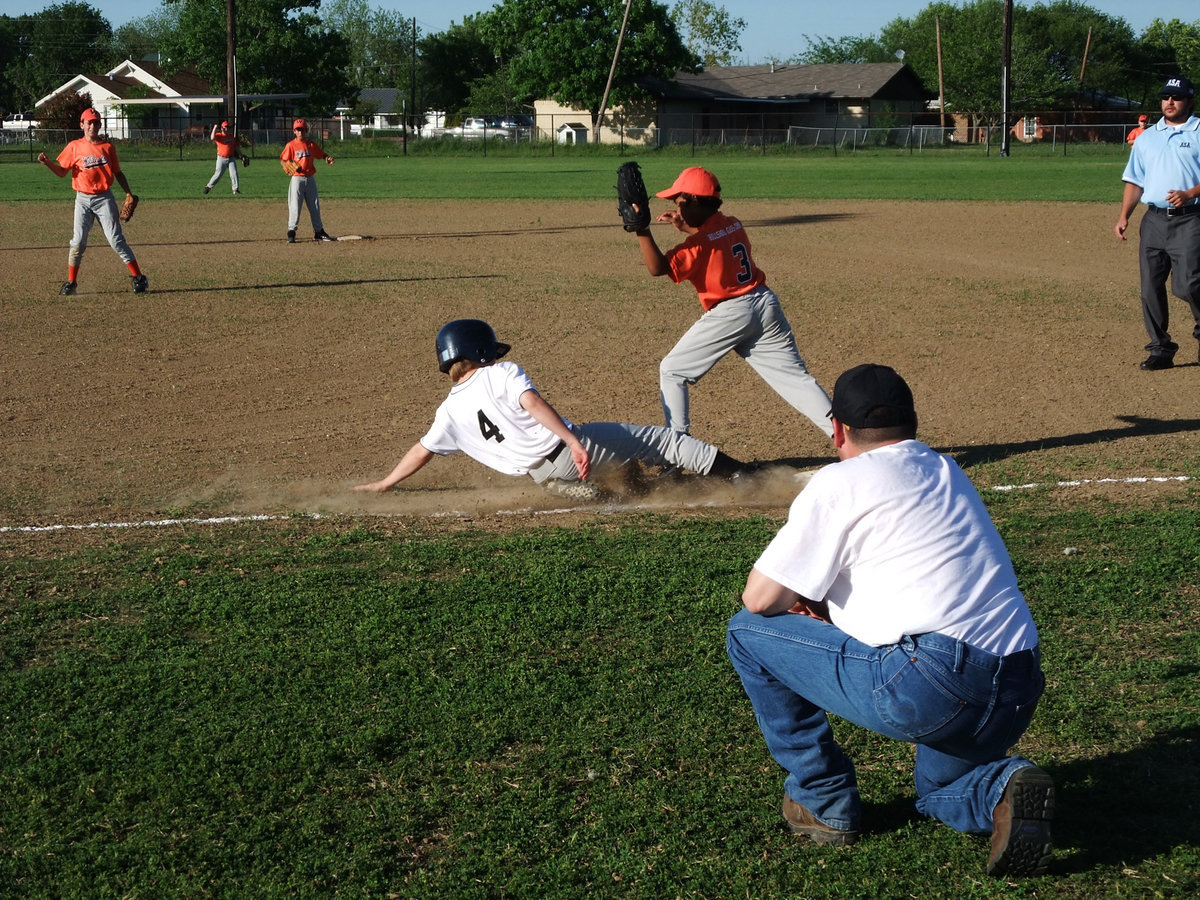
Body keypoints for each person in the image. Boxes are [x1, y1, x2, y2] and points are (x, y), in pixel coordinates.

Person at [725, 363, 1053, 878]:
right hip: (1017, 682)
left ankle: (823, 801)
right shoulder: (945, 469)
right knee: (938, 792)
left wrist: (813, 607)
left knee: (746, 633)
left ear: (838, 428)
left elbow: (759, 598)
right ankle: (1004, 788)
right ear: (913, 423)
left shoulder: (839, 481)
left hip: (935, 682)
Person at [354, 319, 748, 499]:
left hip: (542, 477)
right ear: (479, 353)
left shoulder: (447, 412)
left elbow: (421, 450)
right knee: (662, 441)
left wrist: (385, 483)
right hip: (569, 453)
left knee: (630, 480)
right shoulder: (500, 372)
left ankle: (598, 492)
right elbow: (533, 402)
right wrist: (573, 441)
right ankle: (746, 476)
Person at [630, 166, 833, 439]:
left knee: (672, 371)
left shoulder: (699, 245)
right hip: (765, 303)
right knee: (797, 380)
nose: (676, 210)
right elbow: (711, 232)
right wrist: (684, 225)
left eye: (679, 203)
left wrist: (641, 229)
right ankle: (849, 439)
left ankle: (678, 450)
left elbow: (658, 267)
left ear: (695, 201)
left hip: (734, 313)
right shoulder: (733, 223)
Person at [1115, 75, 1200, 371]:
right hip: (1153, 221)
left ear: (1189, 101)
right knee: (1150, 287)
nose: (1170, 102)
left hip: (1191, 220)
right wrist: (1125, 215)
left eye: (1176, 97)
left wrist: (1190, 193)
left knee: (1188, 285)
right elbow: (1135, 180)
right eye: (1166, 97)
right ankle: (1160, 349)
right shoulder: (1148, 137)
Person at [37, 107, 148, 296]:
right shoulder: (74, 147)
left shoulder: (107, 147)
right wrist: (48, 164)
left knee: (116, 240)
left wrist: (128, 193)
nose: (93, 126)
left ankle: (139, 278)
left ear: (100, 124)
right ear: (82, 124)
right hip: (82, 199)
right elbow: (63, 172)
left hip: (104, 198)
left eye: (96, 122)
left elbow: (117, 173)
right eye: (89, 122)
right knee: (78, 242)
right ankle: (71, 282)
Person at [279, 117, 336, 243]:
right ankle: (291, 231)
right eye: (298, 129)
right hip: (297, 180)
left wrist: (327, 158)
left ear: (306, 130)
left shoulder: (310, 145)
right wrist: (286, 165)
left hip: (310, 178)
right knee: (295, 206)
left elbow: (321, 154)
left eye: (302, 129)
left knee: (314, 206)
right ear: (294, 131)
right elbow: (283, 160)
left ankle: (319, 232)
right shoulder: (291, 145)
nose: (300, 132)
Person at [203, 120, 243, 195]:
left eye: (227, 127)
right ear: (222, 128)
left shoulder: (231, 137)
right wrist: (215, 127)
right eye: (225, 127)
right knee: (218, 175)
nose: (226, 129)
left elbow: (236, 147)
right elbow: (212, 138)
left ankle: (235, 190)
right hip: (221, 158)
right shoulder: (219, 136)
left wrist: (241, 155)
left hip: (231, 158)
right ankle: (208, 186)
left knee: (234, 174)